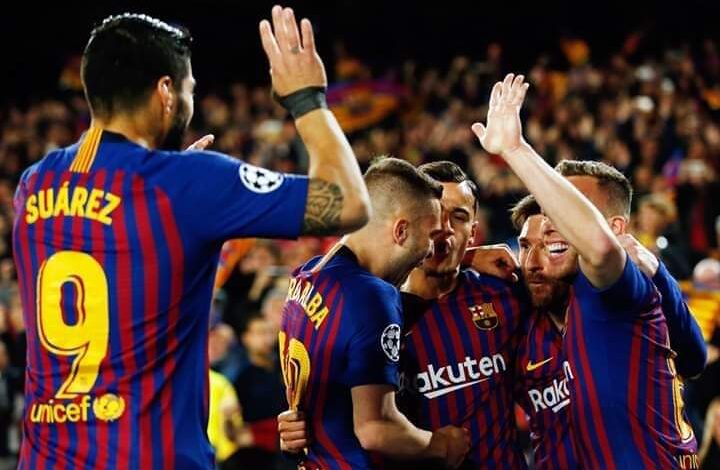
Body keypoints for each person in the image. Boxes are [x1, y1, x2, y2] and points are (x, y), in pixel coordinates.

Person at [12, 6, 370, 469]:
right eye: (190, 90)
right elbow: (348, 202)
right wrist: (307, 98)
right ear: (166, 92)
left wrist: (178, 194)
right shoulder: (189, 183)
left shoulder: (33, 185)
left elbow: (120, 261)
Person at [472, 73, 702, 468]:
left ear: (615, 227)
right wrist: (464, 257)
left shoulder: (617, 290)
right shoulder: (530, 308)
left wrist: (515, 149)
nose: (554, 216)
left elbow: (694, 356)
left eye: (569, 205)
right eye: (552, 203)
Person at [280, 161, 532, 469]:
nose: (445, 230)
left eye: (458, 217)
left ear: (473, 232)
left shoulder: (504, 291)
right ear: (409, 224)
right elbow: (357, 419)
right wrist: (297, 430)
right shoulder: (374, 308)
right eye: (436, 219)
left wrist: (466, 258)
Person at [511, 194, 706, 469]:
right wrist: (471, 259)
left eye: (551, 246)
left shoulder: (627, 309)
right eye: (524, 246)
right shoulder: (515, 325)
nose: (532, 263)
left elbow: (694, 358)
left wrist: (657, 271)